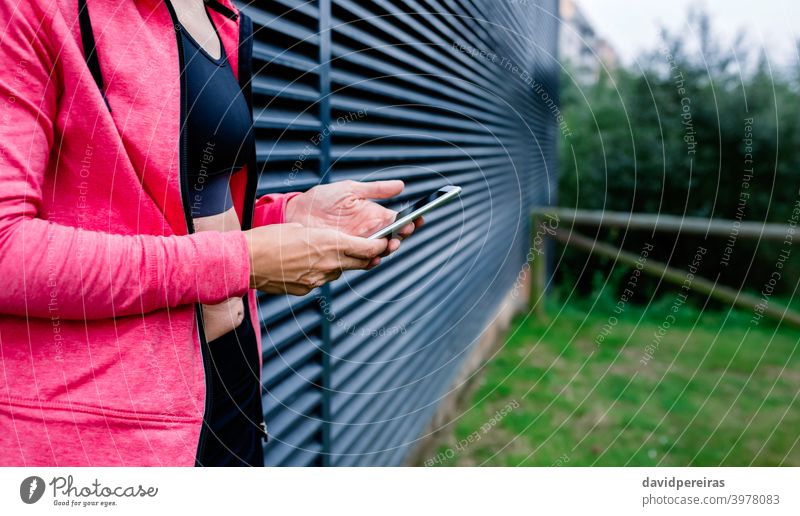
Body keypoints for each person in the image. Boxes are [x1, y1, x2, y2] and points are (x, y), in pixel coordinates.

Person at [0, 0, 420, 466]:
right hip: (107, 431)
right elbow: (7, 253)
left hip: (228, 386)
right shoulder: (31, 10)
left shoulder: (220, 15)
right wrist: (244, 260)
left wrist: (288, 217)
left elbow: (175, 213)